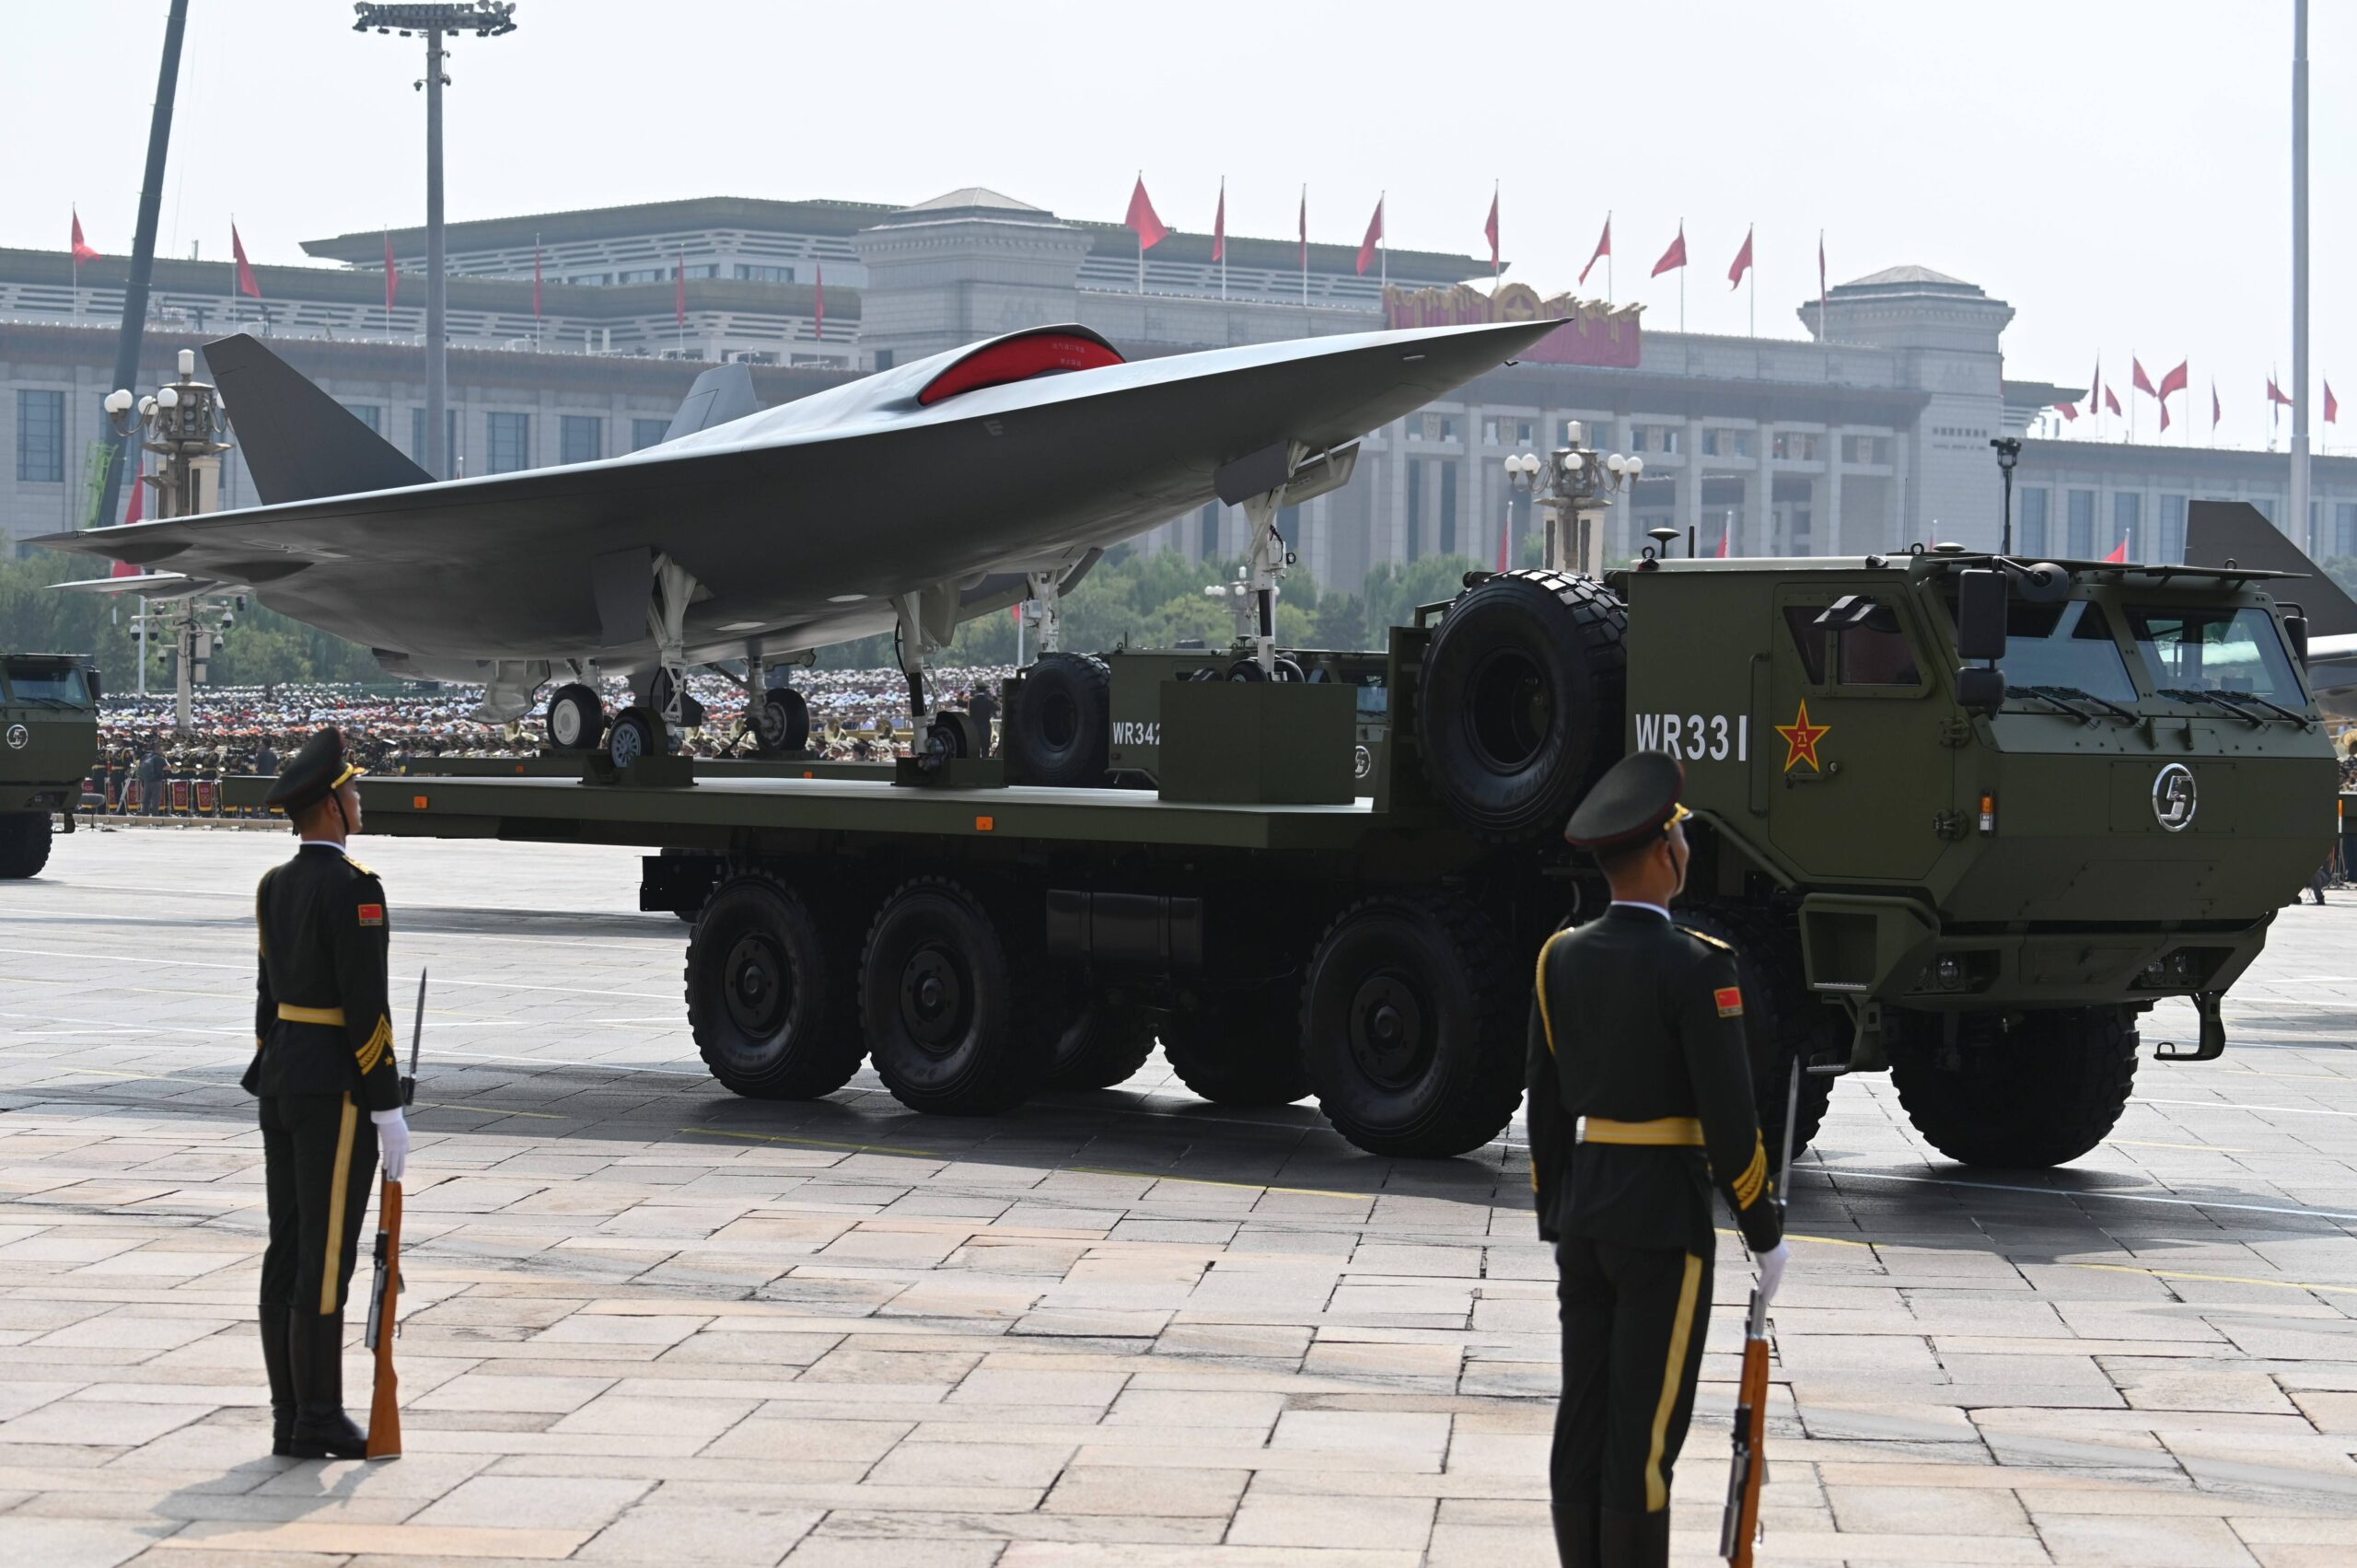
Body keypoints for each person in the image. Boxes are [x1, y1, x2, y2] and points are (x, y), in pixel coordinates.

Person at [1527, 750, 1788, 1568]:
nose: (1686, 847)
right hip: (1663, 1223)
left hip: (1589, 1215)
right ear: (1663, 853)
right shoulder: (1698, 965)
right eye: (1679, 834)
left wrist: (1558, 1209)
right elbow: (1729, 1115)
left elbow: (1543, 1105)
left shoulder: (1559, 957)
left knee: (1585, 1422)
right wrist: (1763, 1224)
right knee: (1643, 1439)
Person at [249, 728, 411, 1460]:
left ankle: (289, 1413)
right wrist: (386, 1100)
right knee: (327, 1251)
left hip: (280, 1076)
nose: (358, 797)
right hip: (331, 1089)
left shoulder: (274, 887)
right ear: (328, 809)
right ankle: (318, 1412)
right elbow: (364, 1007)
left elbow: (266, 1002)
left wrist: (274, 1063)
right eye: (351, 790)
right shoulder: (354, 889)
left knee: (287, 1244)